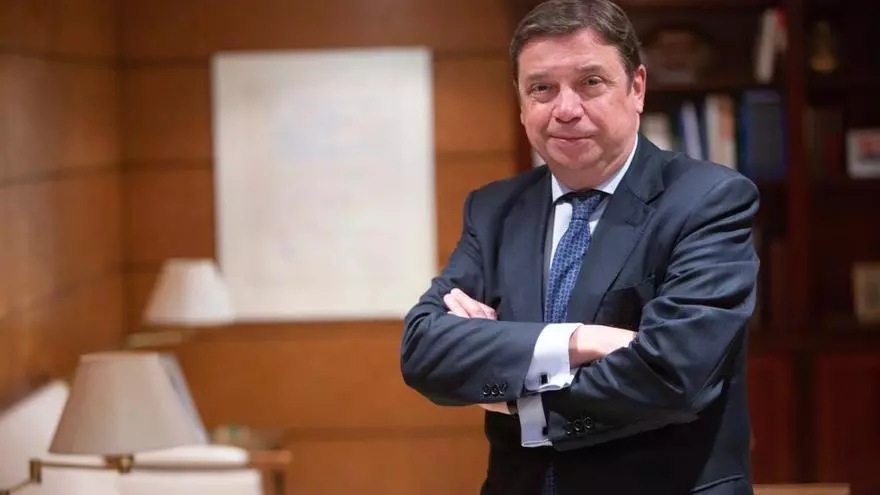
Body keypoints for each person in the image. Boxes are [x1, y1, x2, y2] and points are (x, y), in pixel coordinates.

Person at [400, 0, 760, 493]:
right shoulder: (494, 209)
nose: (566, 110)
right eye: (541, 88)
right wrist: (579, 341)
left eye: (590, 82)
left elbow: (674, 375)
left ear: (636, 88)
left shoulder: (707, 200)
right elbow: (425, 349)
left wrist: (517, 394)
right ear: (521, 102)